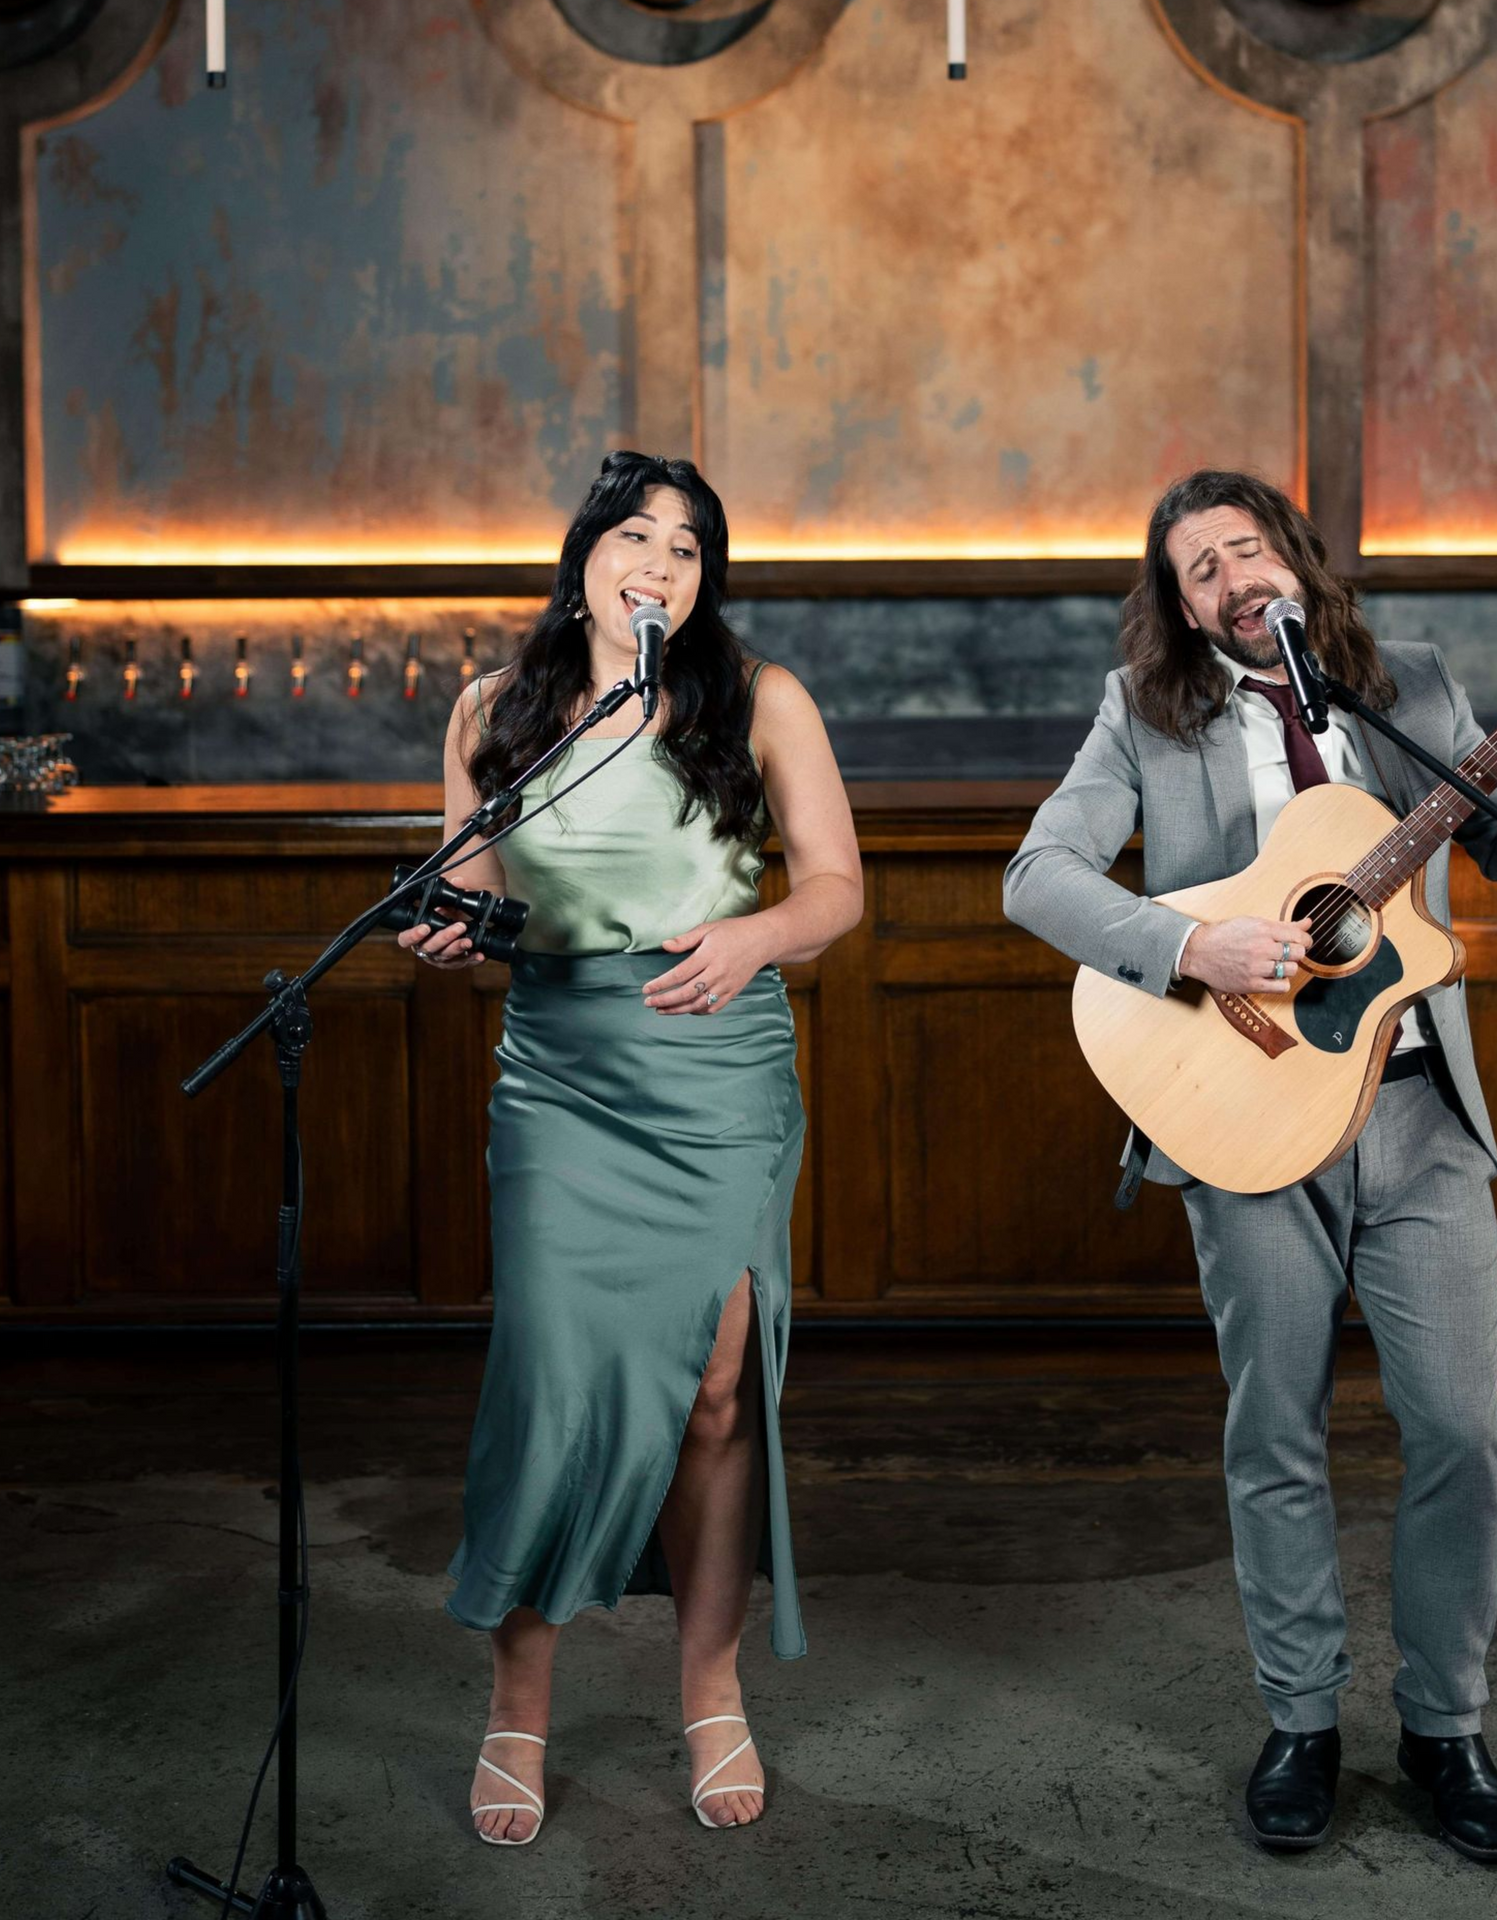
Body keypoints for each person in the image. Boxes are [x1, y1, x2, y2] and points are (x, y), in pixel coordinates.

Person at [1003, 469, 1497, 1863]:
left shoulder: (1404, 685)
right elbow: (1037, 875)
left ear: (1295, 557)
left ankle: (1445, 1726)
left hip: (1417, 1118)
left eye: (1247, 548)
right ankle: (1301, 1723)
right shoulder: (1143, 714)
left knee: (1462, 1430)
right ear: (1177, 604)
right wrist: (1190, 944)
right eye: (1198, 569)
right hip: (1249, 1117)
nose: (1231, 578)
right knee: (1274, 1431)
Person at [400, 451, 863, 1842]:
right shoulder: (496, 706)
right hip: (563, 1074)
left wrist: (752, 936)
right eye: (635, 537)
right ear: (586, 553)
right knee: (550, 1386)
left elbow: (836, 888)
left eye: (687, 548)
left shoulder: (760, 696)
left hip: (718, 1069)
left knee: (719, 1391)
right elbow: (470, 905)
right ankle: (518, 1704)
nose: (658, 565)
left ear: (701, 581)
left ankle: (710, 1686)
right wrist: (445, 930)